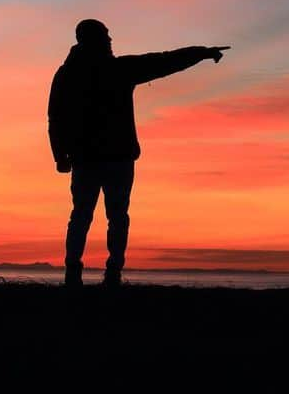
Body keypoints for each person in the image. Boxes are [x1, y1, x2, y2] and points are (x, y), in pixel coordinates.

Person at [47, 18, 229, 287]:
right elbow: (56, 117)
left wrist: (200, 52)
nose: (110, 40)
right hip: (107, 157)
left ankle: (93, 272)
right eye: (105, 35)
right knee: (101, 215)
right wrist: (201, 53)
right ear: (90, 39)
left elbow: (163, 61)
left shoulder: (74, 73)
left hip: (97, 157)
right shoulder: (110, 70)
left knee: (94, 215)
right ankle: (97, 272)